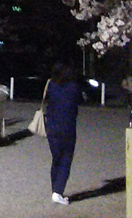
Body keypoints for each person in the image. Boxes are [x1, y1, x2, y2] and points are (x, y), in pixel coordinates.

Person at [44, 62, 84, 205]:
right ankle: (58, 191)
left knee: (56, 158)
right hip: (67, 127)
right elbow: (79, 101)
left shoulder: (52, 85)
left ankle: (55, 188)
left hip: (52, 127)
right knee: (66, 159)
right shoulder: (73, 87)